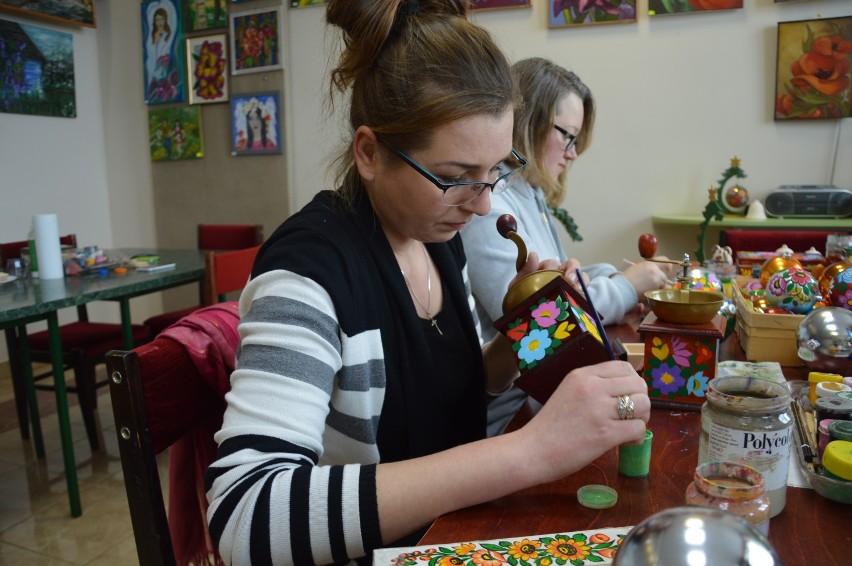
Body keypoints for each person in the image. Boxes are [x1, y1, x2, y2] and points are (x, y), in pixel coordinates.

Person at [205, 3, 650, 564]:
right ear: (368, 152)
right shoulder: (308, 273)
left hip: (452, 535)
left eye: (496, 171)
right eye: (455, 177)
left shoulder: (437, 238)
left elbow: (452, 391)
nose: (485, 202)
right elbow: (245, 516)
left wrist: (525, 332)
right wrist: (530, 452)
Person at [461, 57, 672, 436]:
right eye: (567, 136)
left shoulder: (530, 198)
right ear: (528, 124)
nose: (573, 153)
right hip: (512, 417)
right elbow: (540, 326)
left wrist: (610, 275)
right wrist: (625, 287)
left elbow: (558, 277)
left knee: (646, 409)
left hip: (539, 399)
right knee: (640, 417)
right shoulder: (491, 209)